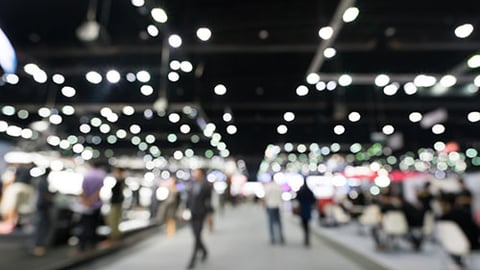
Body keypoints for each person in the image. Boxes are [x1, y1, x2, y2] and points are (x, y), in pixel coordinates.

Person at [438, 192, 480, 269]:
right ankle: (460, 264)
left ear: (444, 203)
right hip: (470, 244)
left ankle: (459, 264)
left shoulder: (443, 218)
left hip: (450, 246)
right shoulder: (464, 213)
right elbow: (475, 230)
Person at [77, 160, 106, 253]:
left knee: (85, 226)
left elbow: (83, 189)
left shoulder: (87, 174)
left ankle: (82, 246)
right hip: (96, 205)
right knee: (94, 226)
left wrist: (86, 201)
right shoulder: (101, 175)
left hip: (86, 205)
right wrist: (92, 200)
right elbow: (98, 191)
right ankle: (93, 244)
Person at [186, 168, 212, 269]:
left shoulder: (206, 185)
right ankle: (204, 251)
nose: (194, 174)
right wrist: (185, 209)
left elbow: (208, 201)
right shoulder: (191, 184)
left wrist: (209, 214)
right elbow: (189, 199)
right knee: (195, 234)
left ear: (201, 174)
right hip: (192, 213)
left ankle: (193, 259)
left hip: (202, 213)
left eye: (196, 173)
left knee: (197, 234)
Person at [31, 167, 54, 256]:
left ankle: (38, 244)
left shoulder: (41, 181)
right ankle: (38, 245)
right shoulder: (43, 182)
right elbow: (45, 195)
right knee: (42, 226)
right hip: (42, 206)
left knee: (42, 225)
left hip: (41, 206)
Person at [262, 177, 285, 245]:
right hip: (277, 206)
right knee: (279, 223)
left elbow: (265, 197)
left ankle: (272, 238)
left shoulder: (268, 186)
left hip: (270, 206)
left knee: (271, 223)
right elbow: (281, 196)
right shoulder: (278, 186)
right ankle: (281, 237)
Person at [106, 166, 125, 245]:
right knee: (114, 220)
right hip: (118, 202)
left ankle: (114, 237)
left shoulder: (120, 180)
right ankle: (115, 236)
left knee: (113, 219)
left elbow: (118, 191)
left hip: (116, 202)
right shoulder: (121, 180)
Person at [295, 181, 316, 247]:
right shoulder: (309, 191)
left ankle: (306, 237)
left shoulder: (301, 191)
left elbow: (297, 198)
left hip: (302, 209)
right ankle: (307, 237)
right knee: (307, 224)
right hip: (308, 209)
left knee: (304, 224)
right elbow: (313, 200)